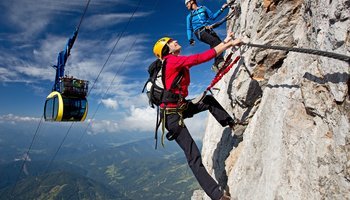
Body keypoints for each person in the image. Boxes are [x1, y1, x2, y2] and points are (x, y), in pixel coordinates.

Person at [152, 32, 241, 200]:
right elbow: (200, 58)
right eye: (171, 41)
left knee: (207, 100)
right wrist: (228, 45)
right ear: (167, 49)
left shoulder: (174, 62)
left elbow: (196, 60)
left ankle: (233, 125)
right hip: (172, 117)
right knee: (193, 155)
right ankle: (217, 195)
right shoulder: (172, 61)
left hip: (179, 108)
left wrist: (226, 41)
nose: (176, 41)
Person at [185, 0, 229, 72]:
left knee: (219, 43)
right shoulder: (189, 16)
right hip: (199, 32)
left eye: (187, 3)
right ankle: (219, 62)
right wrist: (190, 39)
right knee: (214, 41)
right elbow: (189, 28)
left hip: (208, 29)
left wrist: (222, 9)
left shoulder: (203, 8)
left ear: (192, 1)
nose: (186, 6)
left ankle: (215, 64)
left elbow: (212, 17)